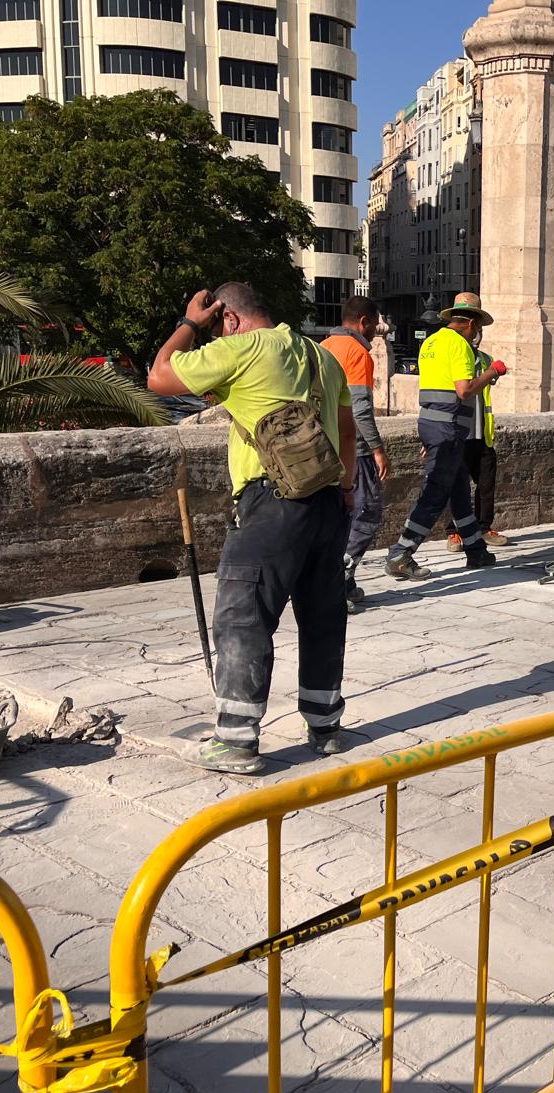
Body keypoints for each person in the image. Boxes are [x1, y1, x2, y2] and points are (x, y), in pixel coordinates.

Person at [147, 283, 357, 774]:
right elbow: (347, 431)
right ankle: (325, 727)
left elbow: (159, 377)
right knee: (323, 616)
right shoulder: (321, 356)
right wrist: (345, 490)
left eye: (218, 325)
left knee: (244, 612)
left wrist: (190, 324)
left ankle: (237, 740)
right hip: (327, 501)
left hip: (273, 500)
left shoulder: (241, 347)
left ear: (231, 318)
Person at [385, 292, 506, 581]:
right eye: (478, 327)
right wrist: (491, 372)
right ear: (471, 324)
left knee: (459, 489)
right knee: (437, 491)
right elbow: (464, 390)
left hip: (430, 423)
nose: (478, 333)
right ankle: (401, 553)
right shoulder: (460, 346)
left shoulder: (430, 342)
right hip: (449, 427)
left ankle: (475, 549)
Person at [321, 296, 388, 615]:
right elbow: (360, 409)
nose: (376, 330)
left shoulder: (324, 346)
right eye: (374, 324)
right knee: (367, 513)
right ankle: (338, 580)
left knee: (335, 520)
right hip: (354, 449)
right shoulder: (358, 352)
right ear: (363, 321)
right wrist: (377, 450)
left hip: (324, 446)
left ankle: (341, 582)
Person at [449, 328, 509, 550]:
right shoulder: (452, 356)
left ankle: (483, 528)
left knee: (486, 484)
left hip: (481, 433)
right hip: (458, 433)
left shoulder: (485, 359)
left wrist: (494, 371)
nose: (475, 336)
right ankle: (454, 532)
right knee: (457, 485)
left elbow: (487, 384)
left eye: (478, 331)